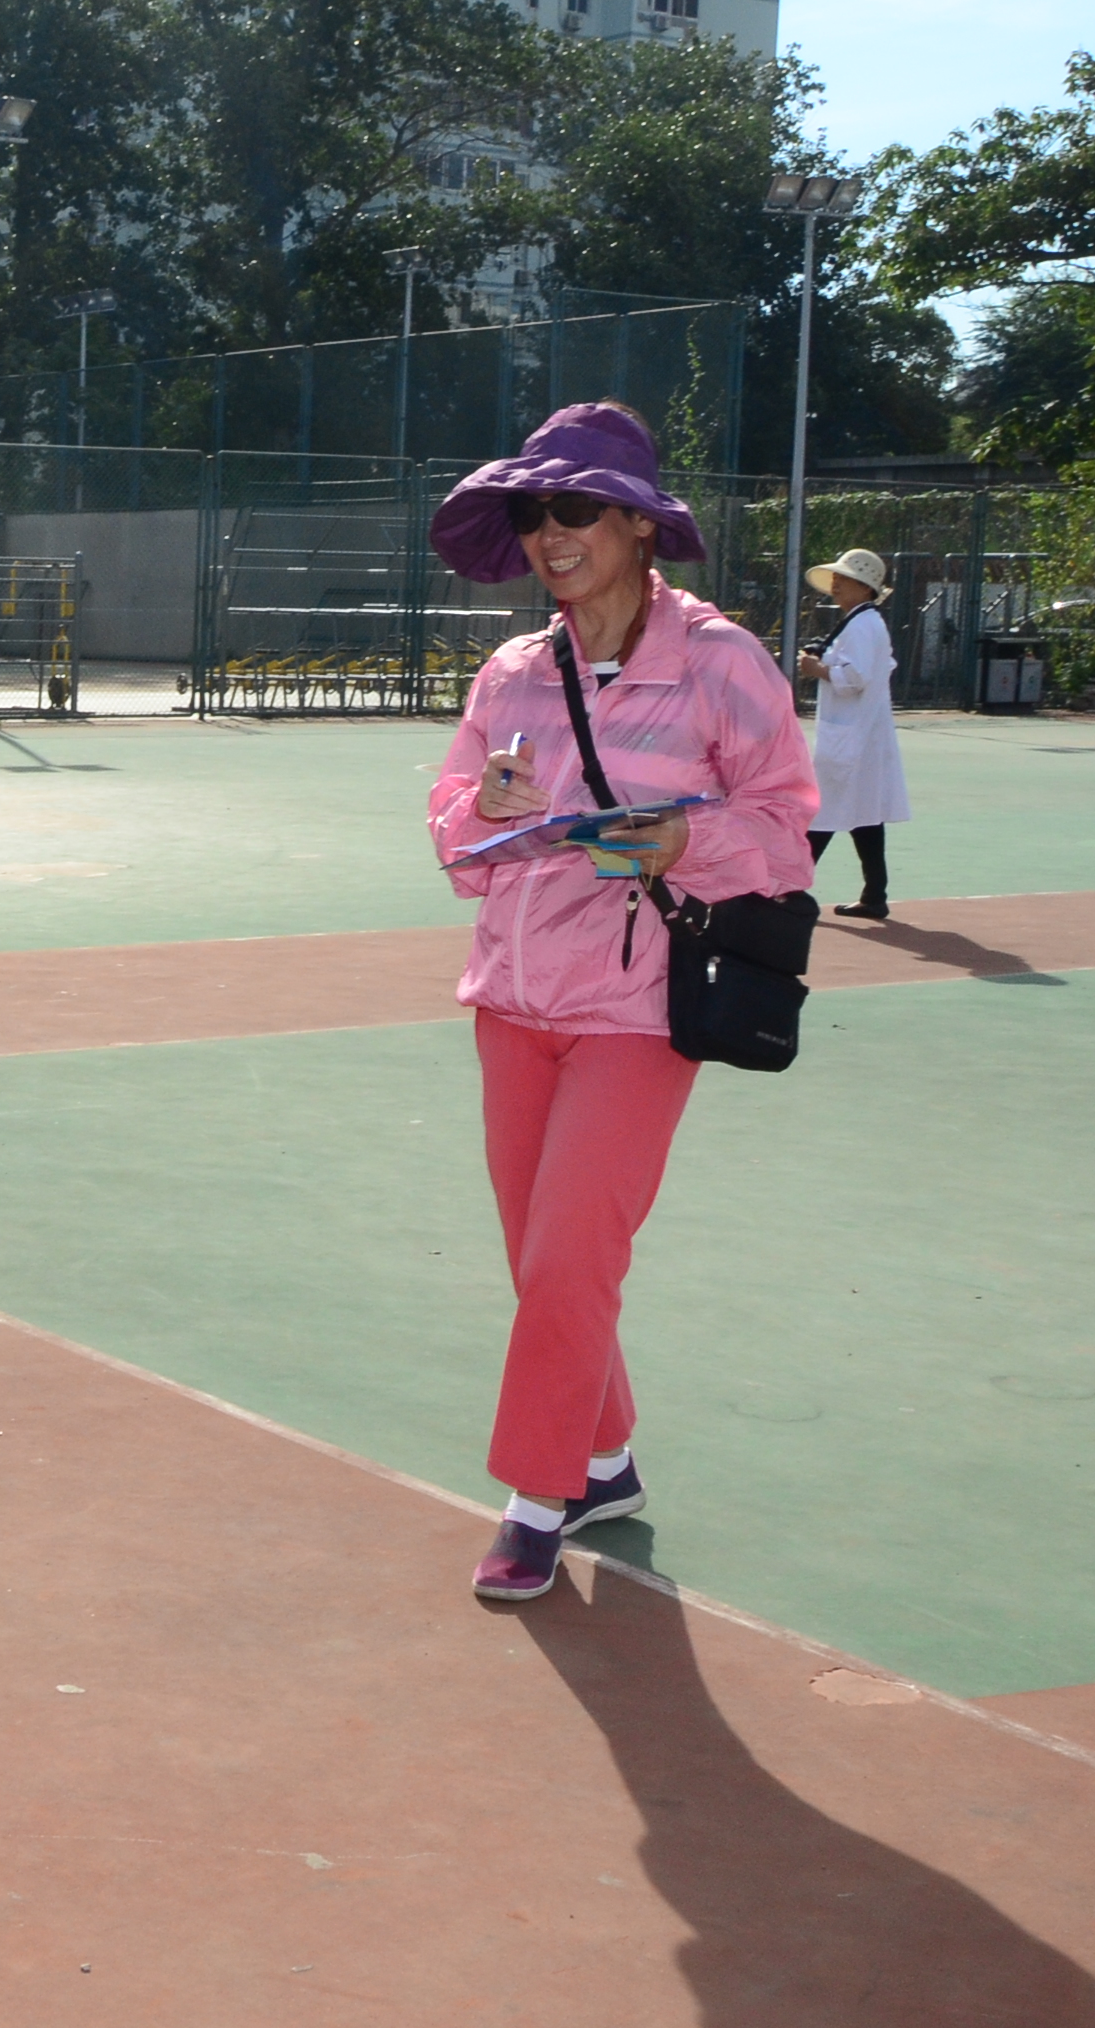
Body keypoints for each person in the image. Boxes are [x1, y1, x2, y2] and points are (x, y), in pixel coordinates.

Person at [422, 400, 819, 1601]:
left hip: (640, 1006)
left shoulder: (720, 662)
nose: (551, 534)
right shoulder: (511, 672)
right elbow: (451, 836)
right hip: (512, 1000)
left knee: (569, 1254)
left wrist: (684, 841)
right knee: (542, 1257)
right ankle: (603, 1461)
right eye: (535, 514)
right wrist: (484, 809)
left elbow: (785, 828)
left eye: (577, 510)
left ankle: (536, 1498)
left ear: (640, 526)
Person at [797, 547, 909, 921]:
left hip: (852, 738)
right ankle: (874, 894)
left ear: (865, 587)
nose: (836, 584)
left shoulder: (862, 625)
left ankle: (787, 889)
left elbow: (855, 677)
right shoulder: (863, 622)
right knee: (865, 815)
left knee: (823, 812)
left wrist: (817, 669)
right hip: (858, 735)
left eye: (844, 579)